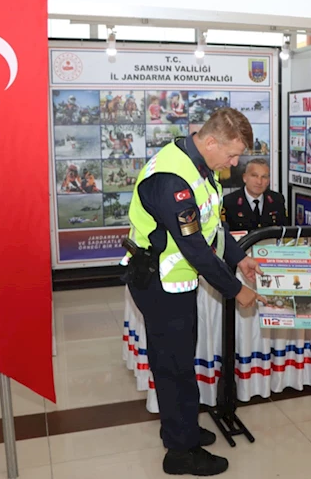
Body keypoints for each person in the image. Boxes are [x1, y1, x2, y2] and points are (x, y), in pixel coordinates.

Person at [122, 107, 266, 477]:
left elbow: (212, 227)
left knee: (181, 362)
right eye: (233, 155)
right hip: (158, 284)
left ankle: (182, 426)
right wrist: (236, 290)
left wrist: (239, 258)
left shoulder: (203, 168)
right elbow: (195, 249)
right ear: (211, 141)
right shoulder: (173, 178)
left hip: (178, 282)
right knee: (173, 368)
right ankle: (179, 453)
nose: (234, 164)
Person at [221, 158, 287, 232]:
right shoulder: (229, 202)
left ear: (268, 181)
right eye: (254, 176)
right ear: (245, 178)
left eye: (264, 177)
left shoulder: (277, 200)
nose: (259, 182)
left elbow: (284, 232)